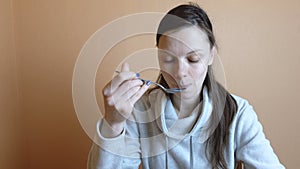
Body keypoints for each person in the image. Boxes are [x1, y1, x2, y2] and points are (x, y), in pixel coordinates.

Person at [87, 3, 285, 169]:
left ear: (211, 56)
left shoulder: (237, 113)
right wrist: (113, 124)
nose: (180, 73)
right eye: (168, 58)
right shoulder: (140, 111)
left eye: (193, 59)